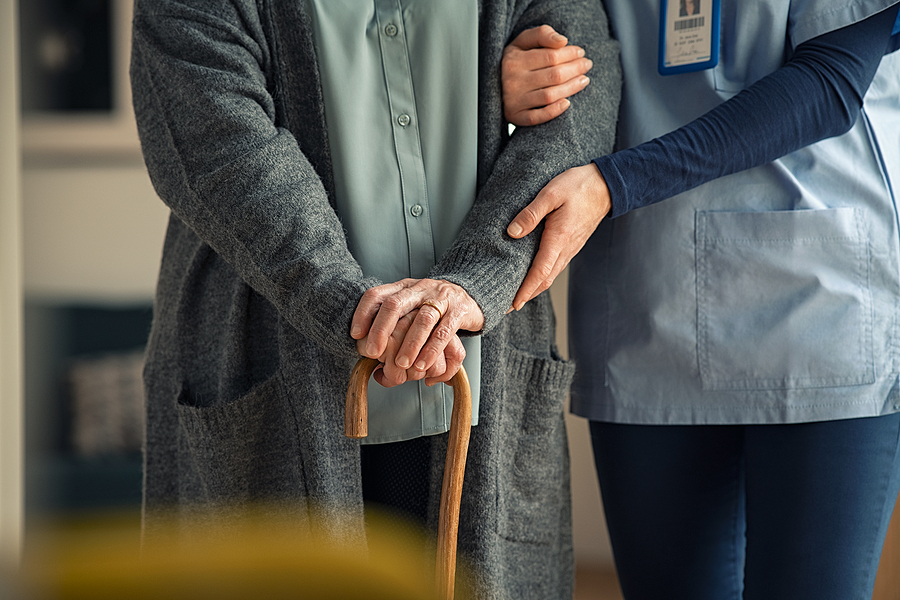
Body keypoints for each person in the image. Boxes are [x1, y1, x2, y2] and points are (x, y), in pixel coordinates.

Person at [129, 0, 620, 597]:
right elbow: (219, 147)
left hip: (481, 374)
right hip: (274, 372)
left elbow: (582, 102)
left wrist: (471, 286)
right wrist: (366, 314)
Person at [495, 2, 900, 599]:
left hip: (817, 307)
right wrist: (513, 81)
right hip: (647, 297)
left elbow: (832, 81)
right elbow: (544, 29)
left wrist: (616, 182)